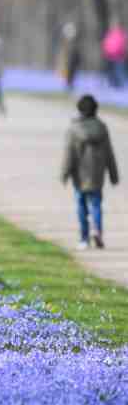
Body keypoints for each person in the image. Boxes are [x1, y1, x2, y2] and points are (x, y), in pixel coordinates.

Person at [61, 95, 119, 250]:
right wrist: (114, 174)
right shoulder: (102, 127)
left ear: (79, 109)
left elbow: (69, 153)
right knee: (96, 204)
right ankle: (98, 231)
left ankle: (84, 237)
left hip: (79, 175)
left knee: (81, 205)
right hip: (97, 175)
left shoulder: (74, 129)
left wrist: (65, 173)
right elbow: (109, 152)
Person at [56, 22, 83, 93]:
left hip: (72, 62)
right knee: (68, 75)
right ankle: (68, 86)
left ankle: (69, 87)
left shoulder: (74, 44)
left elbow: (76, 54)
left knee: (71, 75)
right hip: (69, 62)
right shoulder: (66, 44)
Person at [102, 21, 127, 89]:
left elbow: (123, 45)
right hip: (110, 56)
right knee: (111, 72)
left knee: (119, 71)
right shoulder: (109, 34)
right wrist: (105, 52)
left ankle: (120, 86)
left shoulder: (121, 34)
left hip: (119, 56)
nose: (113, 26)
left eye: (114, 25)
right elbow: (105, 44)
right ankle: (112, 85)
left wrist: (121, 52)